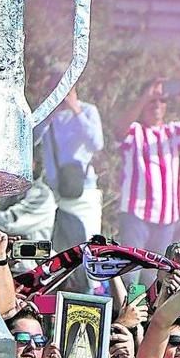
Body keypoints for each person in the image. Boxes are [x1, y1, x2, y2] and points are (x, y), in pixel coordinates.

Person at [115, 79, 180, 259]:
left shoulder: (172, 132)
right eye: (152, 101)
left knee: (156, 277)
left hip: (166, 219)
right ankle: (131, 289)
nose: (156, 105)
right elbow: (119, 130)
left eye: (161, 100)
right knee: (130, 273)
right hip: (136, 214)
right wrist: (145, 97)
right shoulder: (135, 131)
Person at [39, 86, 105, 242]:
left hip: (84, 192)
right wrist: (48, 115)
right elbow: (32, 140)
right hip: (56, 195)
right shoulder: (48, 117)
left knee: (88, 250)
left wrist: (76, 110)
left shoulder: (87, 111)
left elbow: (96, 144)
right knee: (59, 255)